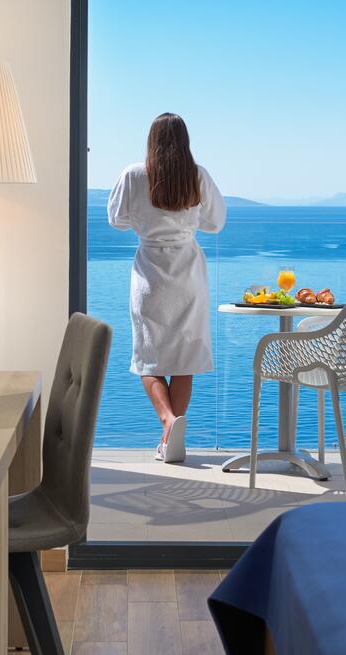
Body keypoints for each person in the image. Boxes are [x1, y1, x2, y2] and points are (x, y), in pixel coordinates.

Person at [107, 113, 227, 463]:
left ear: (152, 140)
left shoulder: (134, 175)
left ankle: (167, 423)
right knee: (183, 360)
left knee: (150, 358)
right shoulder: (197, 175)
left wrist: (143, 219)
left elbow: (116, 219)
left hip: (151, 277)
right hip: (188, 275)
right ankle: (170, 437)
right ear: (185, 141)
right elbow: (216, 223)